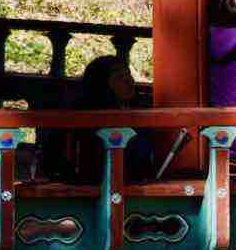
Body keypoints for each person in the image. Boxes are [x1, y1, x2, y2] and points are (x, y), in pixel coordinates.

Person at [61, 54, 166, 182]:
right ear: (102, 83)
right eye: (119, 77)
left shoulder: (140, 111)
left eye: (128, 74)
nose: (128, 80)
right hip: (98, 182)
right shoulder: (88, 115)